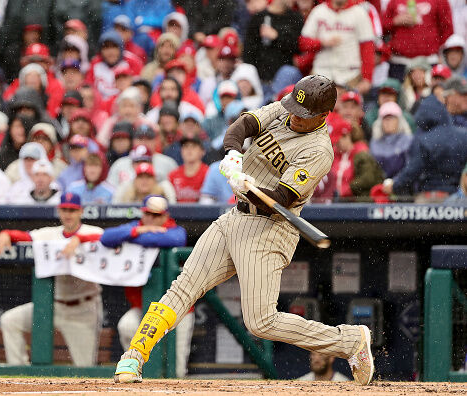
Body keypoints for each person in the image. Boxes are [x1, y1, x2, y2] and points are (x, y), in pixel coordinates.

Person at [113, 75, 375, 386]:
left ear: (322, 115)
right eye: (294, 108)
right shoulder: (285, 109)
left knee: (261, 322)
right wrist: (233, 154)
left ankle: (348, 342)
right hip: (234, 217)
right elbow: (243, 125)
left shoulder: (318, 150)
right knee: (183, 287)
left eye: (304, 115)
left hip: (270, 229)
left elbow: (280, 200)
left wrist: (246, 186)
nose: (294, 116)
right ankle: (134, 355)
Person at [0, 193, 104, 366]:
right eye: (64, 210)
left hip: (83, 309)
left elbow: (111, 238)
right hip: (52, 306)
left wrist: (79, 239)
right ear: (58, 211)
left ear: (80, 212)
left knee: (85, 368)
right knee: (10, 321)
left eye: (72, 210)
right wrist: (5, 233)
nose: (68, 214)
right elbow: (24, 236)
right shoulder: (50, 234)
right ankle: (19, 375)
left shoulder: (92, 231)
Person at [100, 195, 192, 377]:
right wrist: (141, 230)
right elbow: (106, 237)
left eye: (156, 215)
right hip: (144, 308)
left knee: (177, 365)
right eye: (148, 214)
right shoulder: (136, 227)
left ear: (165, 216)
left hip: (178, 309)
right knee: (126, 326)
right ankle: (135, 368)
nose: (152, 219)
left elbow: (175, 240)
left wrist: (138, 235)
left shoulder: (174, 230)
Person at [382, 95, 467, 203]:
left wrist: (395, 186)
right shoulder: (463, 135)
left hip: (430, 199)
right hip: (457, 199)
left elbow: (413, 170)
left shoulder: (424, 140)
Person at [298, 0, 375, 94]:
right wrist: (321, 42)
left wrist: (367, 78)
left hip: (350, 75)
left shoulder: (359, 12)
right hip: (321, 72)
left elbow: (367, 48)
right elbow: (303, 42)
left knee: (347, 108)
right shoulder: (319, 11)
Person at [382, 0, 453, 81]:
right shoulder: (393, 2)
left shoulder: (439, 1)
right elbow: (381, 29)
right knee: (399, 92)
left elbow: (447, 30)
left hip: (429, 62)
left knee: (430, 93)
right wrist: (395, 21)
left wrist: (441, 53)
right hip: (399, 63)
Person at [243, 0, 304, 83]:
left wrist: (277, 36)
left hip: (286, 79)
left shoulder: (296, 18)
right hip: (262, 79)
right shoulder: (259, 18)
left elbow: (298, 46)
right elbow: (249, 51)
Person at [370, 102, 413, 179]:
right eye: (385, 118)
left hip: (402, 186)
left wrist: (394, 183)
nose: (388, 122)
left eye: (392, 118)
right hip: (379, 185)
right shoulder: (375, 143)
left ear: (399, 121)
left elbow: (410, 169)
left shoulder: (408, 140)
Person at [168, 137, 209, 203]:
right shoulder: (173, 174)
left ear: (203, 151)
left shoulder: (208, 173)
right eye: (186, 147)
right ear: (181, 151)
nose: (189, 150)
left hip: (201, 212)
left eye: (193, 147)